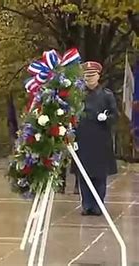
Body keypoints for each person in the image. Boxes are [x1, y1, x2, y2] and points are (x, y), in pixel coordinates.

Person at [71, 61, 118, 216]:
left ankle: (98, 205)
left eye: (92, 75)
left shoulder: (106, 95)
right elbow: (71, 115)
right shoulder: (78, 96)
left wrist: (106, 118)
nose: (89, 78)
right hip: (82, 140)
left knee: (99, 175)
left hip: (100, 140)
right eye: (86, 75)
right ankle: (87, 205)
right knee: (83, 175)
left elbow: (115, 116)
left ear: (98, 76)